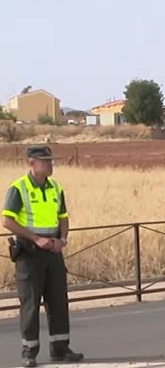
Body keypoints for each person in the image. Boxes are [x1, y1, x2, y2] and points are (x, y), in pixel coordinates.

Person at [2, 145, 84, 367]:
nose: (50, 165)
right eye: (46, 161)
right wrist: (36, 239)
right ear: (31, 163)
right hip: (29, 254)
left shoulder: (55, 187)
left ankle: (60, 348)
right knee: (30, 303)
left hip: (53, 253)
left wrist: (62, 240)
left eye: (51, 161)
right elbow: (7, 221)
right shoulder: (18, 188)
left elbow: (63, 217)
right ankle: (29, 352)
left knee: (58, 301)